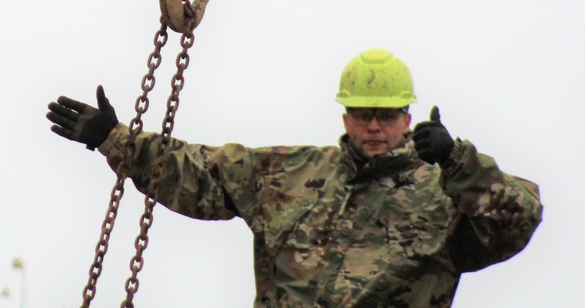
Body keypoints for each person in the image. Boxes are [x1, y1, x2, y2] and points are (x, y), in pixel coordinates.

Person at [46, 48, 542, 307]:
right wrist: (114, 139)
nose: (374, 126)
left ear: (408, 118)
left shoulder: (442, 195)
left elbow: (517, 220)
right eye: (363, 113)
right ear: (345, 116)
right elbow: (199, 174)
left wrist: (456, 160)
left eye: (387, 115)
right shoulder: (291, 173)